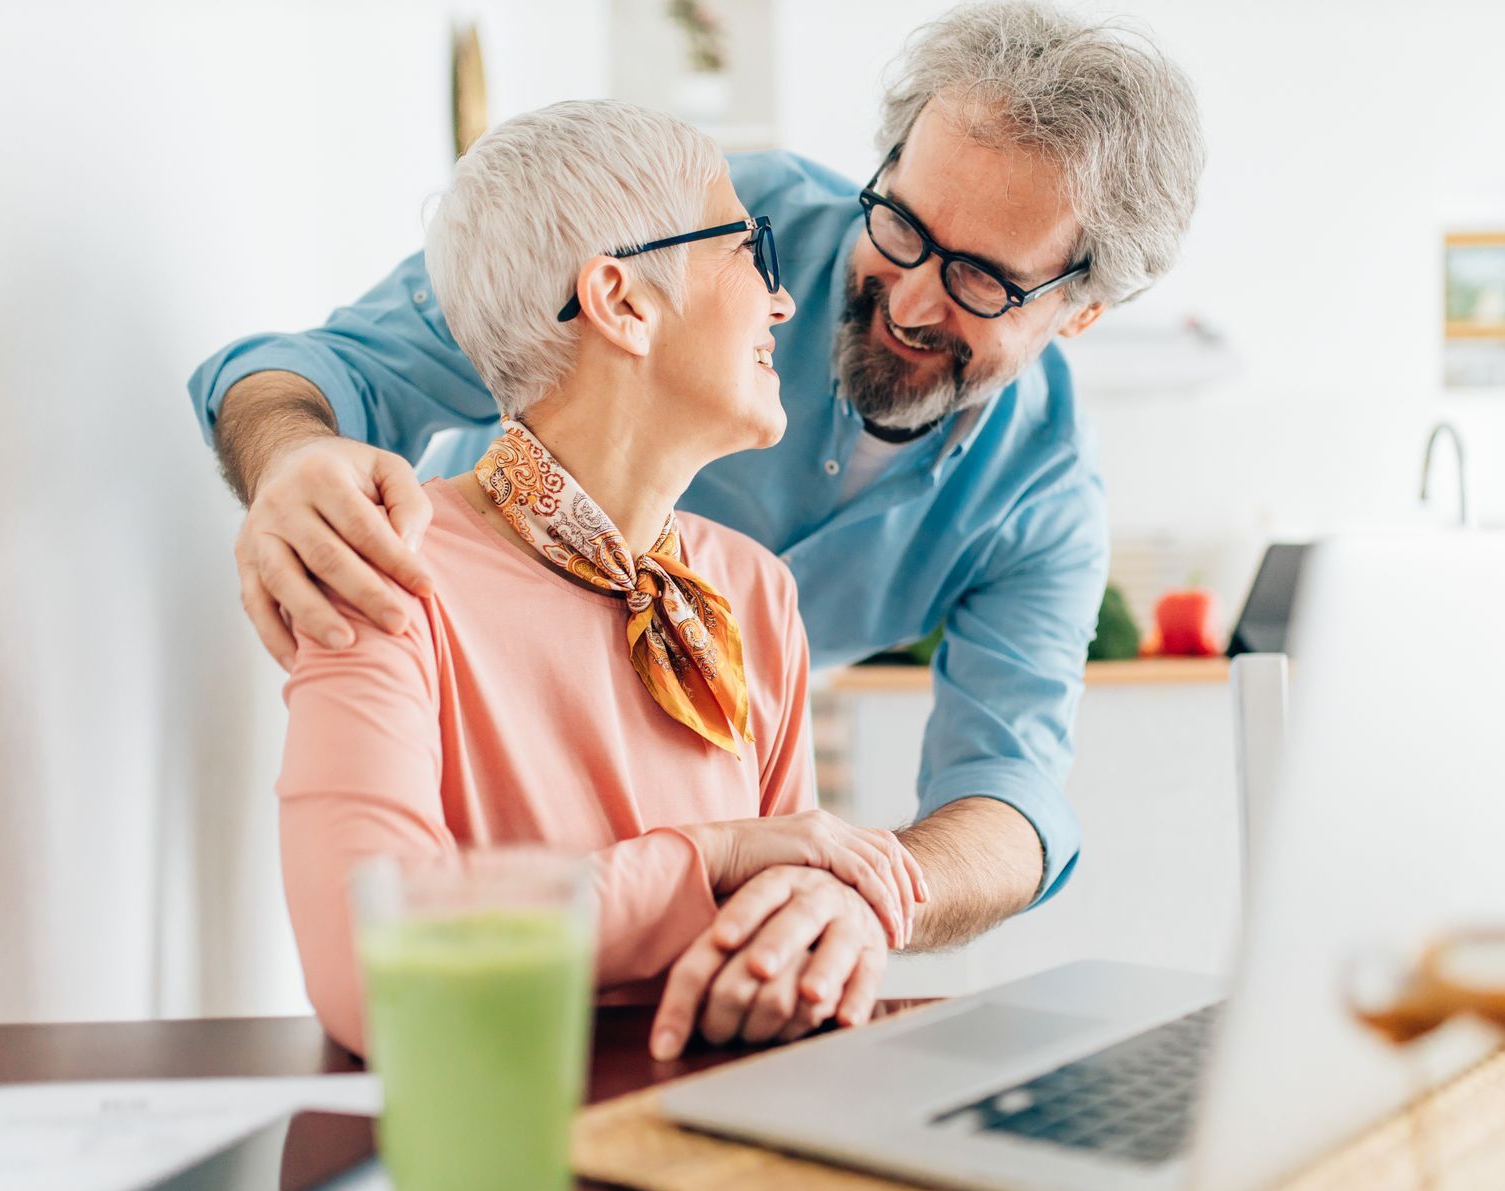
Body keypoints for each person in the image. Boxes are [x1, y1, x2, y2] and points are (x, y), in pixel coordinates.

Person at [191, 1, 1204, 1057]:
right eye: (900, 225)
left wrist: (860, 895)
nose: (906, 296)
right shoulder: (690, 218)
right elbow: (327, 367)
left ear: (1078, 313)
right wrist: (295, 468)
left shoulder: (802, 582)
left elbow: (1009, 788)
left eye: (982, 279)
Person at [278, 100, 924, 1059]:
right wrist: (706, 859)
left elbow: (786, 917)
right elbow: (374, 972)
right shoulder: (384, 575)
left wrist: (823, 932)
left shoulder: (753, 592)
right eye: (751, 253)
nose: (783, 302)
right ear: (622, 302)